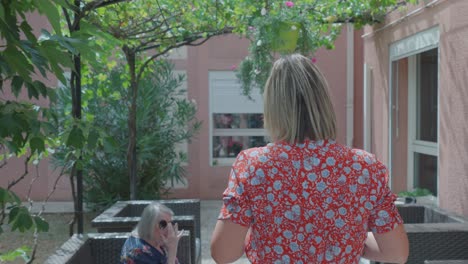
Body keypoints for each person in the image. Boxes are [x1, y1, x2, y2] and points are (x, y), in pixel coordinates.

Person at [210, 54, 409, 263]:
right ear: (324, 104)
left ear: (273, 108)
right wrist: (349, 242)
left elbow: (224, 254)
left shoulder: (253, 165)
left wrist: (258, 238)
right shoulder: (365, 167)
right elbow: (396, 253)